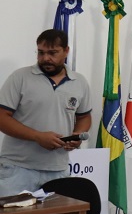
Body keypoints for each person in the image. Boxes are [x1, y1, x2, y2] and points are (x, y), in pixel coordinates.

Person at [0, 29, 92, 196]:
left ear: (66, 51)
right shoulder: (20, 77)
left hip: (58, 170)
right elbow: (2, 118)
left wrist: (77, 135)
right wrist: (37, 136)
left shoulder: (79, 82)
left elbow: (84, 117)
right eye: (41, 52)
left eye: (52, 53)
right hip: (17, 170)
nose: (45, 58)